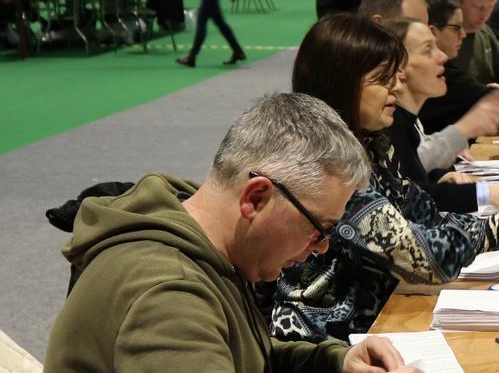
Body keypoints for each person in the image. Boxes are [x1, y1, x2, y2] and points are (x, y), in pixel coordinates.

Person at [44, 92, 415, 373]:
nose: (320, 248)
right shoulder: (168, 294)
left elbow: (246, 355)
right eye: (319, 229)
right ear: (256, 198)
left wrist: (338, 362)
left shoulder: (202, 238)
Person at [271, 15, 499, 342]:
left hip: (375, 326)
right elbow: (421, 256)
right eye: (383, 79)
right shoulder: (326, 165)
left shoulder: (372, 144)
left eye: (396, 76)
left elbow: (424, 215)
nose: (397, 87)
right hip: (326, 343)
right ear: (342, 83)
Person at [385, 17, 499, 214]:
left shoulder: (407, 119)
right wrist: (482, 193)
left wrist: (437, 178)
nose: (443, 57)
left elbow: (411, 178)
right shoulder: (388, 123)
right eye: (427, 49)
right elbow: (404, 206)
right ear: (397, 69)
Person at [357, 0, 499, 174]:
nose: (442, 57)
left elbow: (412, 174)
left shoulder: (402, 115)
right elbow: (405, 175)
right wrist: (463, 131)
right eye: (427, 48)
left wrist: (442, 175)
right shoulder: (382, 120)